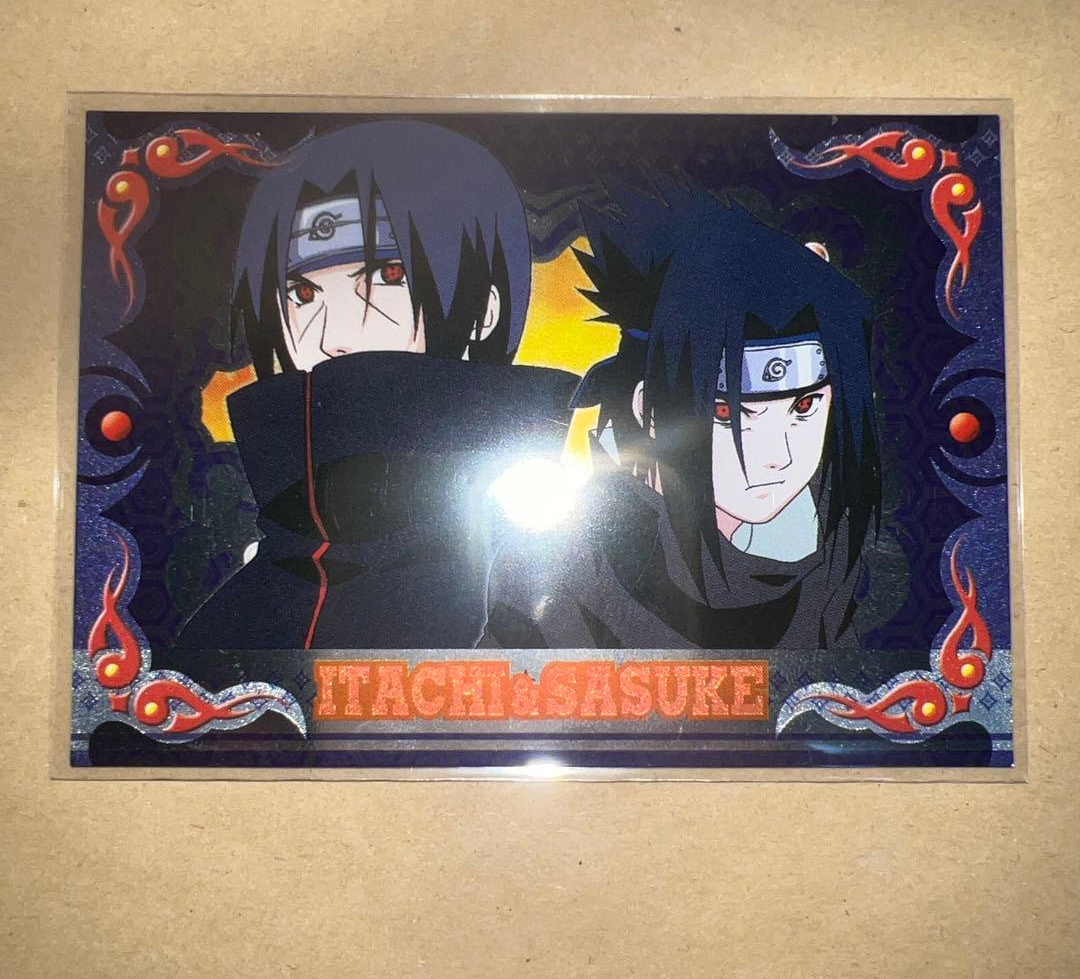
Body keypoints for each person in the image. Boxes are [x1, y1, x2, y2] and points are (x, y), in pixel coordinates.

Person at [177, 121, 576, 649]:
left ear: (483, 309)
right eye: (302, 294)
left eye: (388, 278)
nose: (334, 337)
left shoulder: (552, 587)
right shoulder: (235, 619)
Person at [479, 179, 881, 649]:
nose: (778, 456)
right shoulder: (559, 568)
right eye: (729, 412)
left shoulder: (831, 561)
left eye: (804, 406)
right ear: (647, 408)